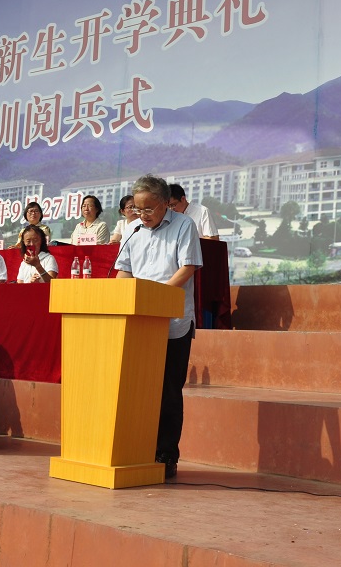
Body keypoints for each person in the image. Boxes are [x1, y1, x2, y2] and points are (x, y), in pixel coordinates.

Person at [114, 174, 202, 478]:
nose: (142, 215)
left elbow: (187, 267)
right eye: (137, 209)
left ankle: (165, 454)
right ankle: (136, 449)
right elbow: (123, 271)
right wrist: (125, 296)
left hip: (172, 322)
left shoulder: (184, 225)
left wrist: (155, 297)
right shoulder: (132, 229)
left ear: (166, 203)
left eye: (149, 209)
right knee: (136, 388)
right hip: (138, 322)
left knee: (167, 391)